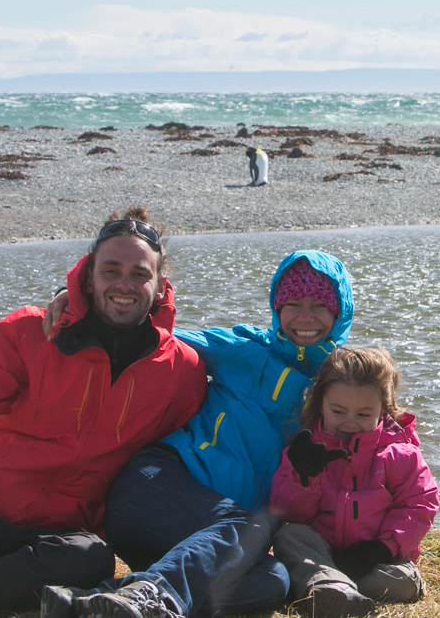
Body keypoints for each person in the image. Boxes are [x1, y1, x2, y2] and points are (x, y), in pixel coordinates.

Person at [0, 208, 208, 614]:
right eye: (111, 270)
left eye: (139, 273)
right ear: (88, 275)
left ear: (159, 286)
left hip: (64, 537)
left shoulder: (182, 371)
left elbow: (193, 455)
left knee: (90, 559)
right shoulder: (32, 333)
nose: (125, 284)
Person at [42, 250, 354, 618]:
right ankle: (148, 597)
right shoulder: (244, 349)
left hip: (208, 538)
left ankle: (91, 602)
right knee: (247, 526)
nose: (305, 317)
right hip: (155, 486)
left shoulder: (341, 382)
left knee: (273, 581)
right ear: (276, 306)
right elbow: (151, 335)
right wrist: (79, 299)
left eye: (319, 305)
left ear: (340, 312)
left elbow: (384, 439)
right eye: (293, 304)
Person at [270, 346, 439, 618]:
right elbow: (289, 513)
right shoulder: (305, 450)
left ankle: (327, 587)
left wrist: (382, 548)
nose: (349, 423)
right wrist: (304, 480)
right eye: (338, 411)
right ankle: (331, 585)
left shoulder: (400, 454)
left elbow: (419, 505)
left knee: (403, 581)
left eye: (363, 414)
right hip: (322, 551)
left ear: (384, 409)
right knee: (289, 537)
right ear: (321, 403)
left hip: (378, 559)